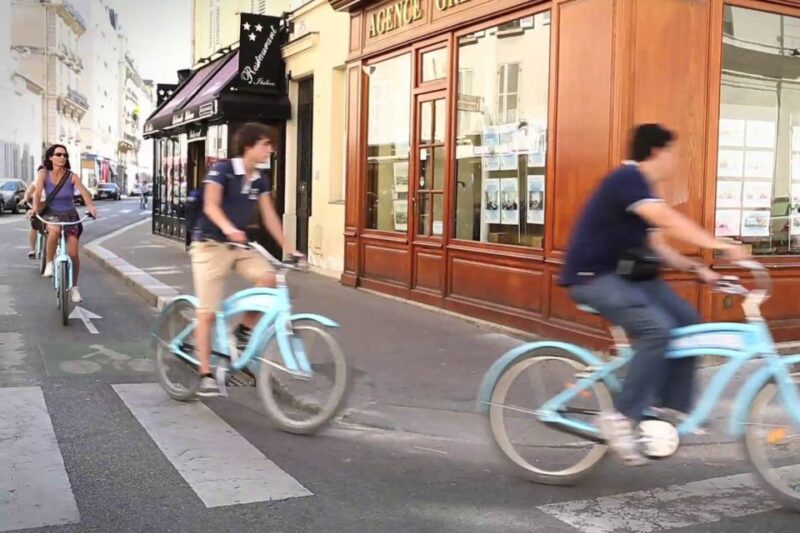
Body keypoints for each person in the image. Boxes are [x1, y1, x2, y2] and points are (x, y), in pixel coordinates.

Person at [559, 124, 750, 465]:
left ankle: (667, 410)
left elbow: (658, 246)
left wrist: (698, 269)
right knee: (656, 330)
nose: (676, 160)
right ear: (657, 151)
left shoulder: (643, 188)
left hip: (625, 277)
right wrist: (720, 245)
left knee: (688, 323)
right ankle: (620, 417)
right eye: (673, 152)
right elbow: (666, 220)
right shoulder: (627, 179)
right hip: (593, 276)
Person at [189, 123, 300, 396]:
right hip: (210, 244)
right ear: (249, 146)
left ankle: (243, 329)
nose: (270, 150)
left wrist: (291, 249)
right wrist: (229, 228)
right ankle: (205, 373)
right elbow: (211, 206)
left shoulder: (260, 179)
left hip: (239, 245)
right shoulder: (223, 170)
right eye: (265, 144)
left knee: (269, 279)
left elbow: (269, 216)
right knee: (208, 312)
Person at [27, 145, 97, 303]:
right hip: (51, 213)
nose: (62, 157)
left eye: (65, 155)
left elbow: (84, 192)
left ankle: (74, 288)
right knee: (54, 230)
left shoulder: (72, 176)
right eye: (58, 154)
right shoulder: (43, 174)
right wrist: (35, 208)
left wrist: (91, 207)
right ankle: (49, 263)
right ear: (50, 157)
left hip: (70, 215)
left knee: (73, 254)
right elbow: (37, 193)